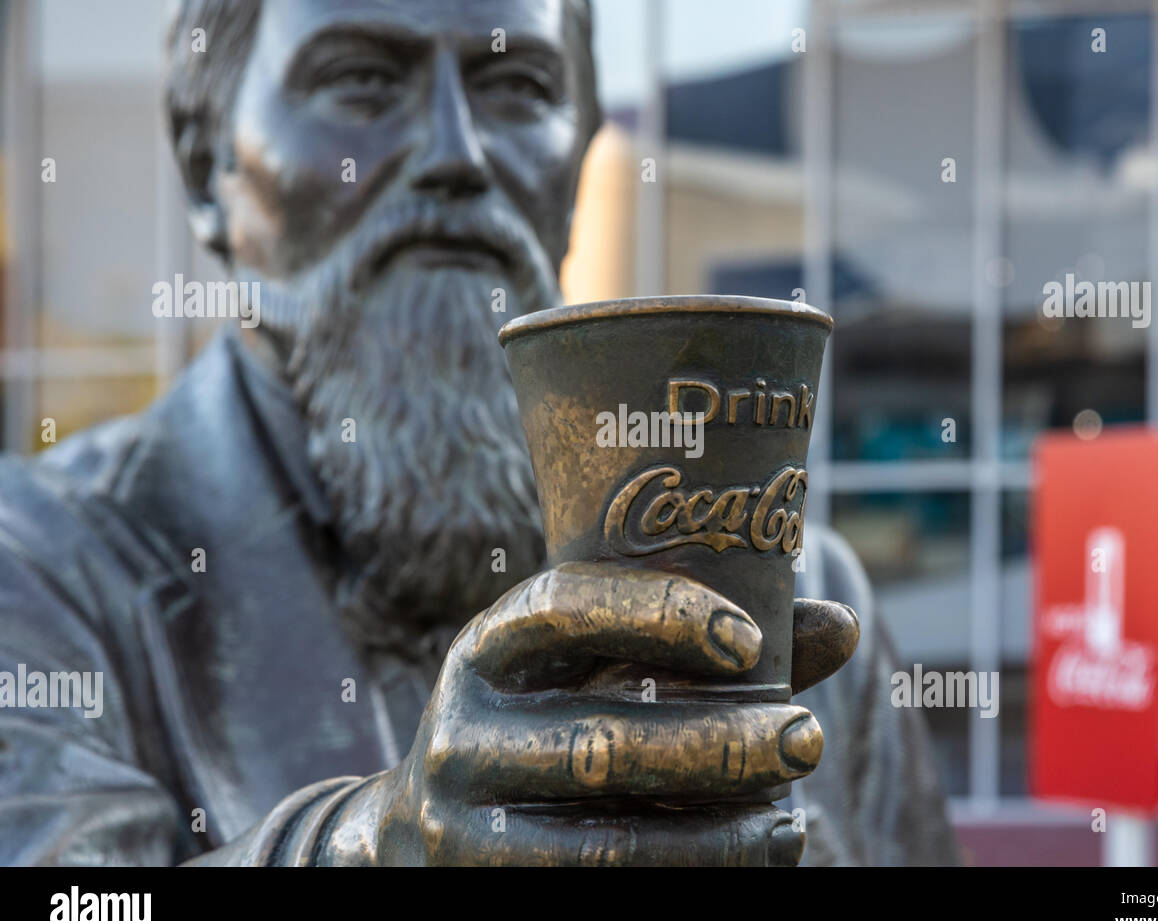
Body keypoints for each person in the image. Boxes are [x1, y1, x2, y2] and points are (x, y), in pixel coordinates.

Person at [0, 0, 957, 866]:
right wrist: (369, 851)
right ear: (209, 163)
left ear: (578, 170)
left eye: (516, 88)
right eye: (361, 79)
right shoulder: (36, 570)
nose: (456, 152)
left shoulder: (802, 600)